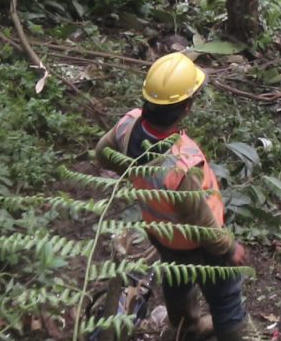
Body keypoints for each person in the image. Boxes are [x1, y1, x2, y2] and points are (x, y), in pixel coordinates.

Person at [95, 54, 249, 341]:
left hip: (162, 235)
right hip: (200, 245)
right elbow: (201, 222)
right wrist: (229, 248)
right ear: (186, 108)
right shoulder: (181, 162)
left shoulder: (127, 124)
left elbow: (102, 153)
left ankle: (186, 327)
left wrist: (134, 172)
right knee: (225, 297)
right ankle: (230, 335)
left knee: (177, 283)